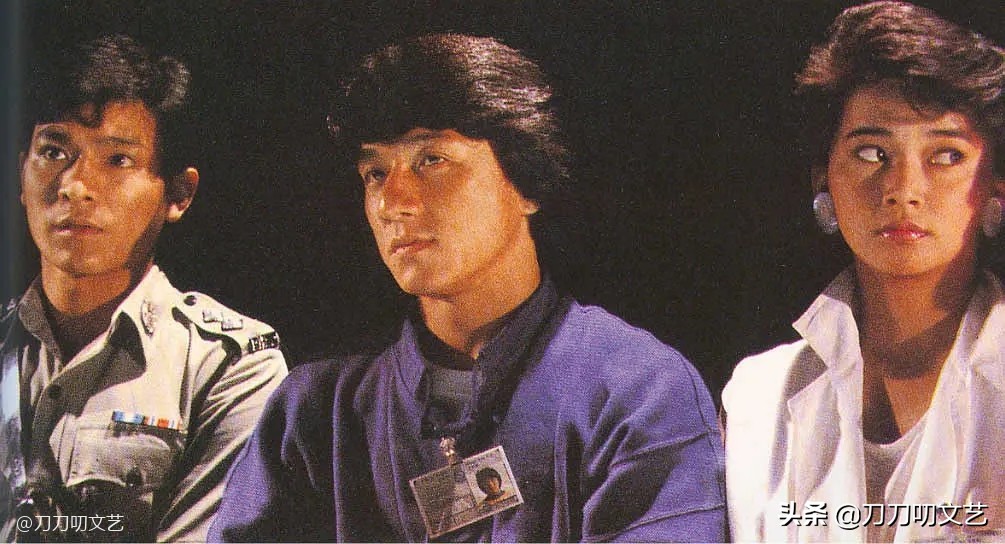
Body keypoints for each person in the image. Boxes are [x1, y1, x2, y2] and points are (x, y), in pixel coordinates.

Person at [210, 33, 726, 542]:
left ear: (526, 184)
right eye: (375, 173)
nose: (393, 202)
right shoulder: (316, 415)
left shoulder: (635, 391)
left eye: (432, 160)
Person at [723, 2, 1005, 541]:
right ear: (823, 181)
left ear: (995, 189)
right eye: (872, 153)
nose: (904, 189)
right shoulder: (757, 397)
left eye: (946, 156)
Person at [0, 34, 288, 541]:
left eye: (117, 160)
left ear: (178, 193)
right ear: (20, 175)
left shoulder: (228, 367)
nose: (74, 186)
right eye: (53, 151)